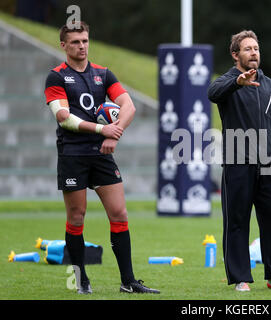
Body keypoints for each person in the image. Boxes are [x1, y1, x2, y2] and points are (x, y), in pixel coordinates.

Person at [44, 21, 159, 294]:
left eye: (84, 40)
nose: (81, 46)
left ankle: (128, 282)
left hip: (101, 154)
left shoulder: (103, 74)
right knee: (76, 216)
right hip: (73, 154)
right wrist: (100, 129)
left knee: (119, 213)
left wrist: (113, 135)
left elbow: (128, 106)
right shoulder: (56, 77)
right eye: (75, 42)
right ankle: (81, 278)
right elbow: (63, 117)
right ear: (64, 45)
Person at [207, 30, 271, 292]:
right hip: (238, 162)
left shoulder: (270, 86)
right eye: (247, 49)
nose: (254, 53)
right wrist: (238, 82)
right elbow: (212, 93)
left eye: (256, 48)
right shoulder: (227, 81)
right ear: (235, 55)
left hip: (269, 163)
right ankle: (240, 278)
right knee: (236, 221)